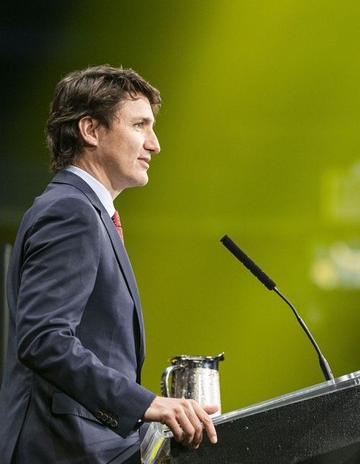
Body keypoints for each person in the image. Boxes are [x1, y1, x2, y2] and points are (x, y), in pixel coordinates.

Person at [0, 65, 218, 463]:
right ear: (91, 130)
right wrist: (145, 404)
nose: (154, 144)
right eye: (139, 125)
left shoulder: (84, 210)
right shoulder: (70, 210)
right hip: (59, 450)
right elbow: (44, 339)